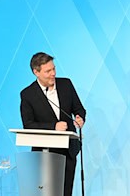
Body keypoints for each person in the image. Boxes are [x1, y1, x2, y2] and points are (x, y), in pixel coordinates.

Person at [20, 52, 86, 196]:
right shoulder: (27, 94)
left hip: (68, 151)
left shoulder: (66, 84)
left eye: (54, 69)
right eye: (48, 71)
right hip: (45, 153)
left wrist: (80, 118)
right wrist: (53, 127)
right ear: (36, 72)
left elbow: (79, 109)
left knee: (65, 192)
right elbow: (28, 124)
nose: (53, 74)